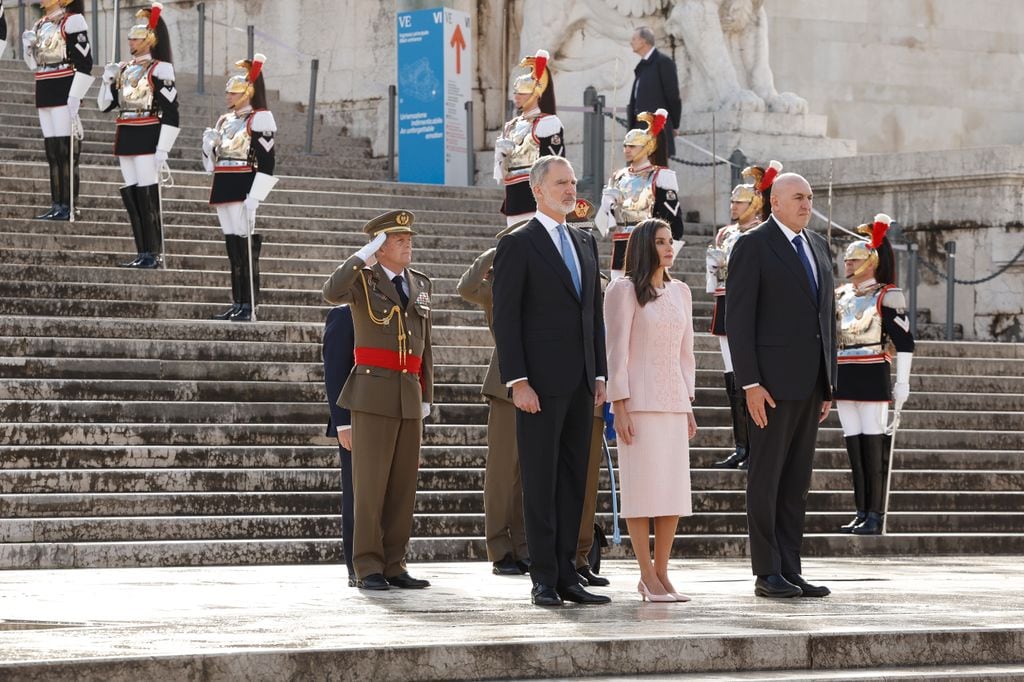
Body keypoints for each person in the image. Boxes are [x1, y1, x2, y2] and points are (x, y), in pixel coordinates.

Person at [492, 156, 610, 607]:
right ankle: (543, 576)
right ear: (538, 190)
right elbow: (507, 318)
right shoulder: (518, 243)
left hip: (580, 383)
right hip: (537, 386)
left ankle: (567, 574)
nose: (570, 189)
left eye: (574, 182)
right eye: (561, 183)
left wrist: (598, 372)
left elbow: (592, 314)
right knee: (539, 482)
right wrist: (518, 381)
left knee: (572, 482)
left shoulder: (584, 242)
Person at [725, 172, 837, 599]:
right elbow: (739, 320)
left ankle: (791, 567)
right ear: (774, 203)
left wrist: (829, 383)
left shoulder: (819, 246)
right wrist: (750, 383)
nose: (806, 204)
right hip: (769, 385)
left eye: (809, 197)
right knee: (767, 479)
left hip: (810, 384)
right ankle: (766, 571)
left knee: (796, 483)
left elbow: (828, 318)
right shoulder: (753, 245)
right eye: (797, 197)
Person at [321, 210, 433, 592]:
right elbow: (331, 290)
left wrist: (426, 398)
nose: (408, 245)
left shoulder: (420, 284)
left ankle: (394, 562)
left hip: (408, 395)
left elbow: (425, 348)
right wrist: (361, 257)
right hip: (371, 395)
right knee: (369, 487)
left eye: (409, 239)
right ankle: (367, 564)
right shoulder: (361, 283)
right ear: (379, 248)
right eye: (398, 240)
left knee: (404, 486)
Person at [605, 218, 698, 602]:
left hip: (673, 404)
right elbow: (616, 352)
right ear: (645, 246)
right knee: (643, 492)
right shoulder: (623, 290)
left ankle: (661, 574)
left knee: (672, 493)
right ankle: (645, 573)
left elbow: (686, 354)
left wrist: (688, 403)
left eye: (670, 241)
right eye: (660, 242)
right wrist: (619, 406)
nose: (668, 247)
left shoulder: (682, 292)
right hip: (638, 405)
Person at [456, 224, 531, 577]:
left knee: (526, 476)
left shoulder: (538, 283)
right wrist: (496, 251)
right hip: (505, 387)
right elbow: (465, 287)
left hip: (541, 387)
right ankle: (500, 549)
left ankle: (523, 546)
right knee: (503, 474)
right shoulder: (495, 287)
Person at [834, 214, 915, 535]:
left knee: (873, 445)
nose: (847, 264)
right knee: (853, 447)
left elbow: (905, 342)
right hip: (844, 374)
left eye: (854, 259)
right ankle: (860, 510)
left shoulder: (888, 294)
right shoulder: (841, 295)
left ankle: (875, 513)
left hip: (872, 374)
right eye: (847, 259)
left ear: (870, 261)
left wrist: (903, 382)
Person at [706, 161, 781, 469]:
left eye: (739, 201)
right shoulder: (725, 233)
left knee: (752, 377)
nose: (733, 206)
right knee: (732, 379)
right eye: (732, 201)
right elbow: (713, 283)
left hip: (754, 309)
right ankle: (741, 446)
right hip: (726, 306)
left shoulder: (764, 233)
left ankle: (758, 446)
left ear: (756, 202)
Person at [97, 1, 179, 269]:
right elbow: (105, 106)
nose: (131, 42)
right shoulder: (124, 68)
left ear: (149, 40)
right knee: (132, 194)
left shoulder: (160, 69)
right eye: (130, 38)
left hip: (147, 134)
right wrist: (106, 80)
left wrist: (163, 148)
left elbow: (171, 111)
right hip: (126, 133)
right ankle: (142, 250)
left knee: (147, 194)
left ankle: (154, 252)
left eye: (136, 38)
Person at [202, 53, 278, 322]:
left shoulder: (260, 119)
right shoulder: (224, 121)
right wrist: (208, 147)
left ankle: (250, 304)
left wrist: (256, 195)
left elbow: (267, 162)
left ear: (247, 93)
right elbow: (212, 165)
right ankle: (238, 303)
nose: (229, 97)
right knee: (232, 246)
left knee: (245, 246)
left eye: (234, 93)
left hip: (244, 183)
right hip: (223, 183)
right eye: (229, 93)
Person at [21, 0, 94, 221]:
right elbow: (35, 64)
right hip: (44, 85)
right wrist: (28, 49)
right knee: (52, 152)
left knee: (65, 152)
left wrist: (75, 95)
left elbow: (85, 62)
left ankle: (69, 205)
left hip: (64, 84)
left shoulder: (72, 21)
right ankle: (56, 204)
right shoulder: (40, 24)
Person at [595, 109, 684, 280]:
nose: (627, 150)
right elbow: (603, 227)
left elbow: (674, 223)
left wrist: (662, 257)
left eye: (633, 146)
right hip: (621, 246)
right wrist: (607, 204)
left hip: (647, 245)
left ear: (648, 146)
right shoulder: (618, 177)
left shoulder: (661, 176)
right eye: (625, 146)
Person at [493, 49, 564, 228]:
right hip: (513, 196)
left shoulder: (548, 122)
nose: (516, 97)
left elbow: (554, 164)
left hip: (537, 197)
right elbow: (501, 173)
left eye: (522, 93)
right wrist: (501, 156)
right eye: (515, 93)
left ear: (536, 93)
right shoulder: (511, 126)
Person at [323, 305, 357, 586]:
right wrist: (342, 423)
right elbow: (335, 370)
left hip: (387, 418)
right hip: (354, 422)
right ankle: (356, 565)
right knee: (356, 495)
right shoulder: (344, 314)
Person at [627, 26, 681, 158]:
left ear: (643, 41)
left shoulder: (663, 62)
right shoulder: (642, 66)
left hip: (656, 131)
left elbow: (673, 96)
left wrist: (674, 124)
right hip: (640, 131)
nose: (631, 42)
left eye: (634, 39)